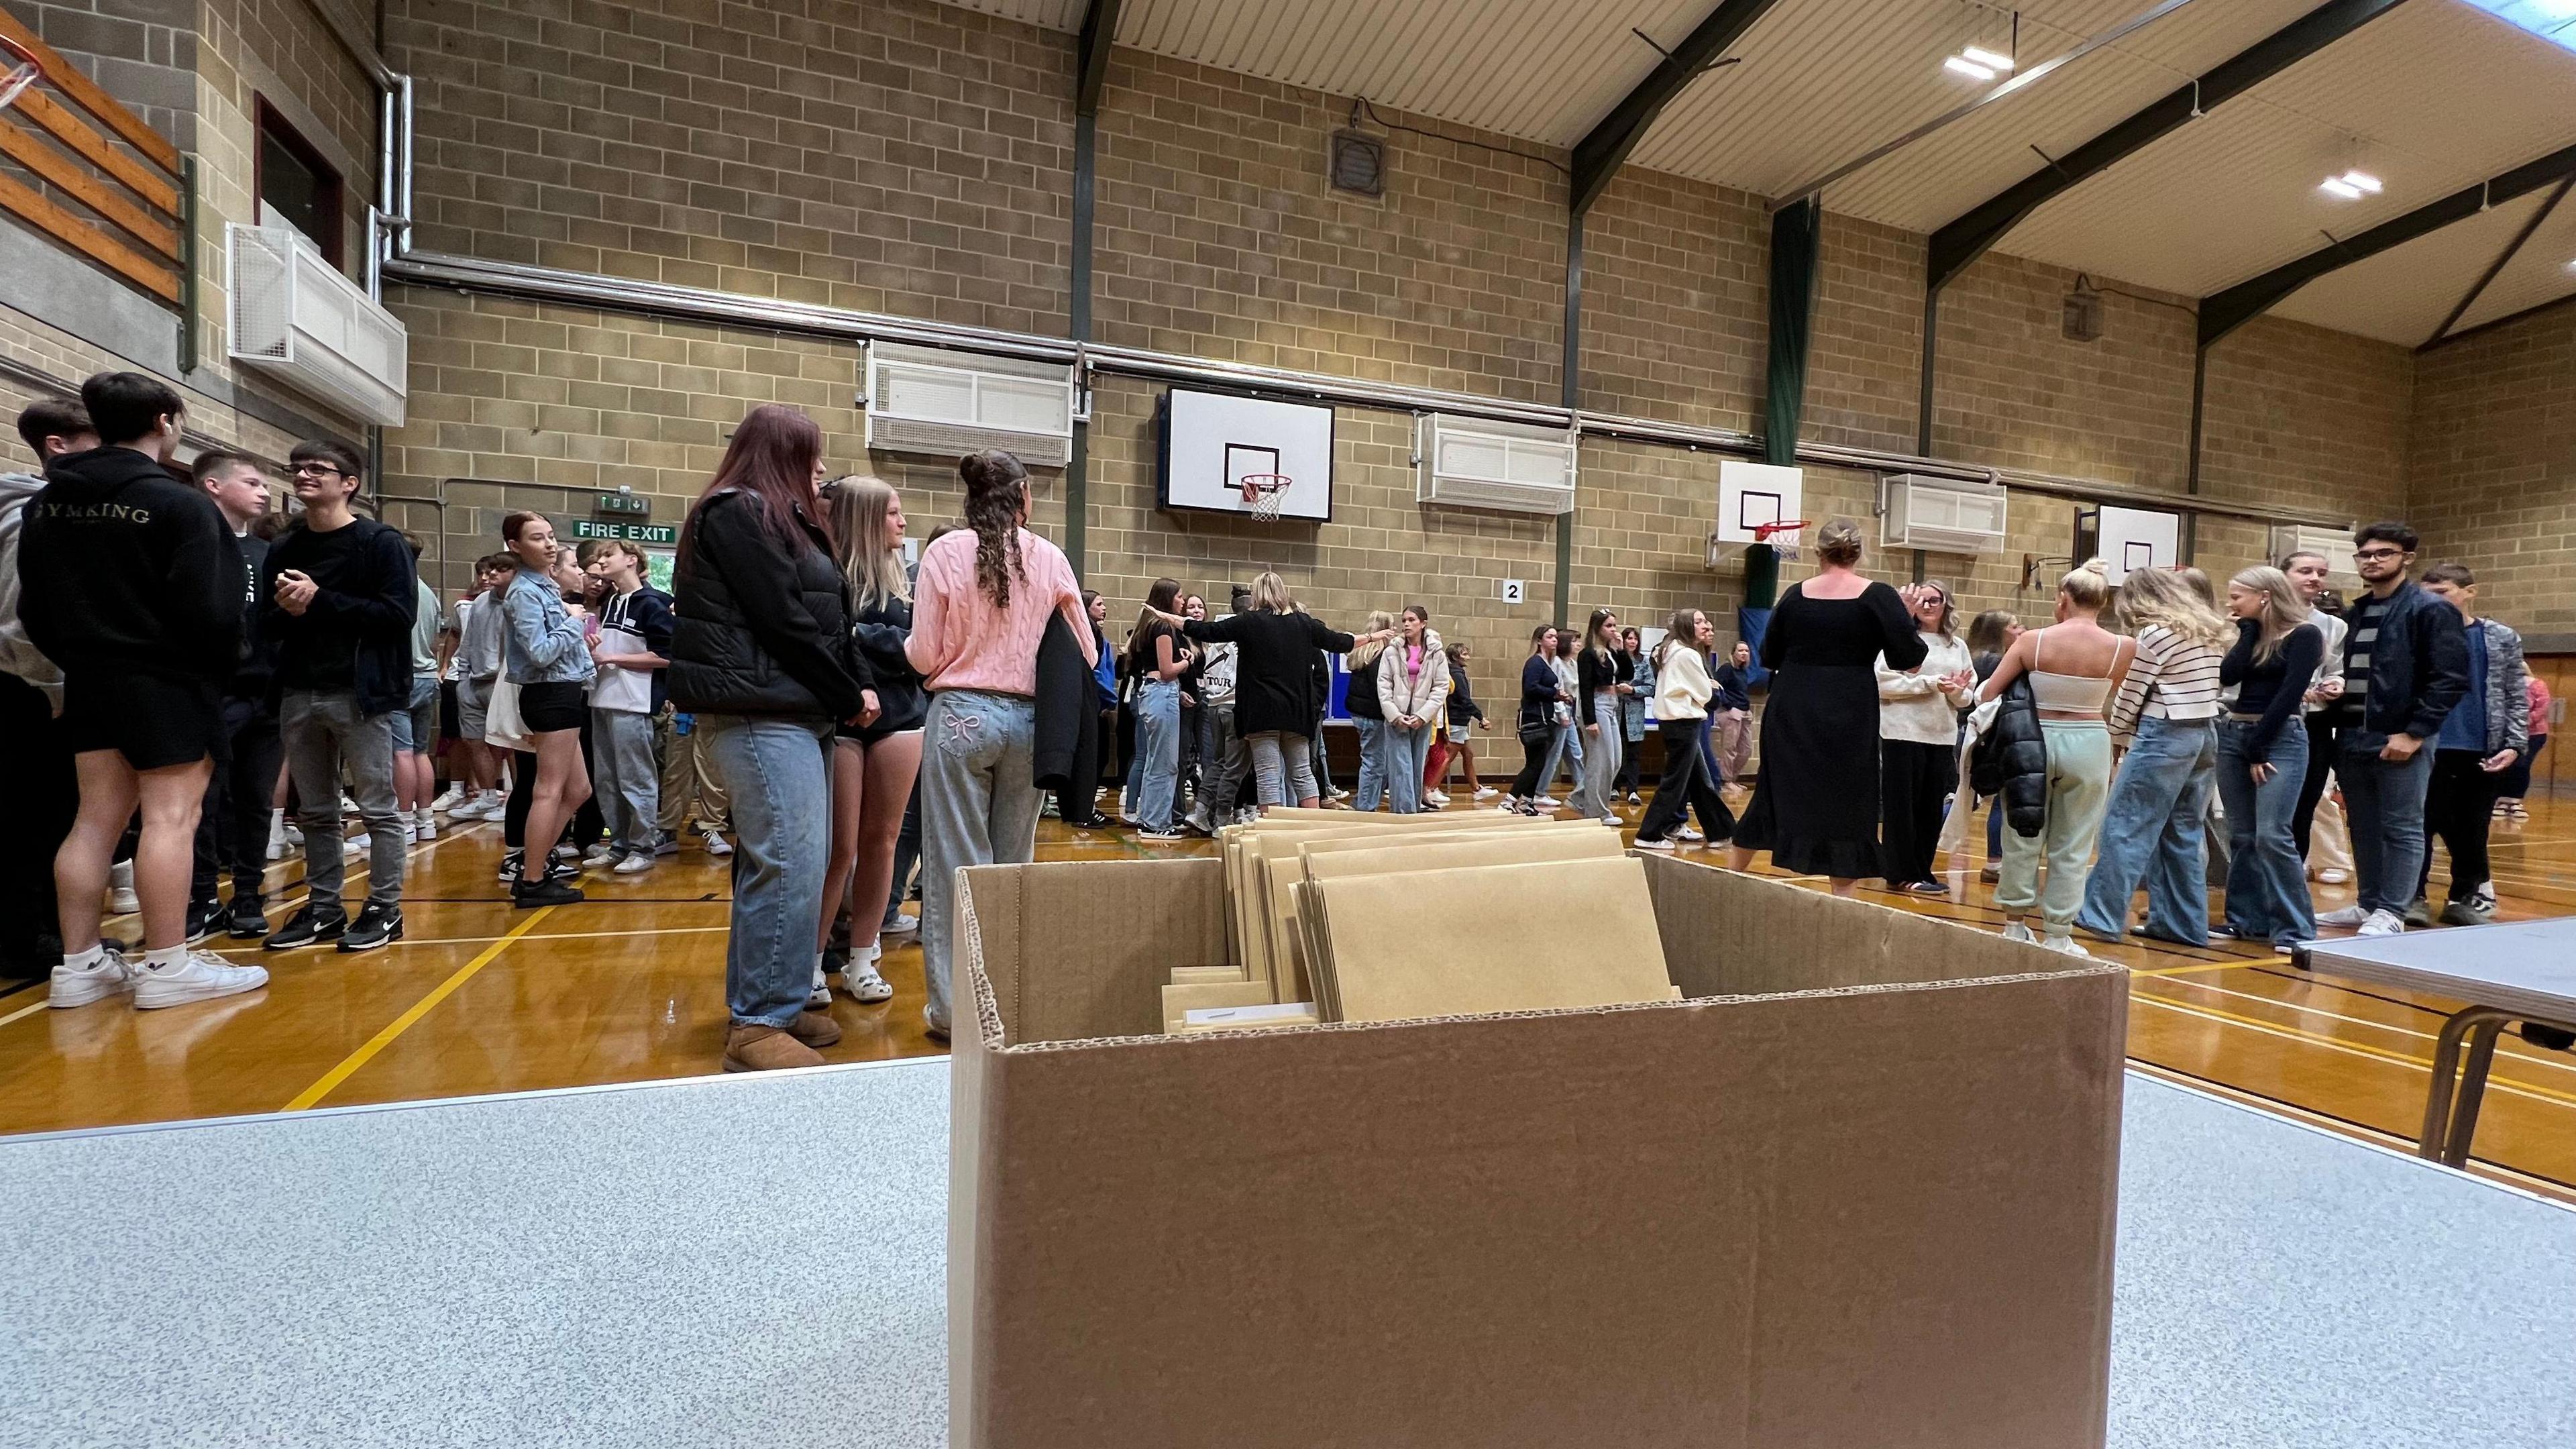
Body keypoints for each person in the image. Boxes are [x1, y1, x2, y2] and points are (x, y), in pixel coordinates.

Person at [20, 372, 265, 1007]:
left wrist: (80, 656)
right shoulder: (180, 505)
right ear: (165, 422)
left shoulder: (47, 504)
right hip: (169, 682)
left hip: (90, 679)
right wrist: (219, 668)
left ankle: (78, 967)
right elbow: (212, 612)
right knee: (171, 817)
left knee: (94, 821)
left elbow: (36, 607)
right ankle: (167, 964)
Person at [670, 405, 867, 1069]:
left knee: (787, 864)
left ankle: (773, 1005)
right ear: (781, 454)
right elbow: (783, 620)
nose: (819, 471)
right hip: (759, 713)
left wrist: (844, 692)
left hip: (793, 711)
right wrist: (848, 694)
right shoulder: (738, 511)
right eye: (809, 457)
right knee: (786, 863)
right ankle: (757, 1025)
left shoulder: (778, 516)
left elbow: (827, 618)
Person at [906, 449, 1091, 1040]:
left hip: (961, 715)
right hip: (1031, 724)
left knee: (955, 868)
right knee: (1013, 868)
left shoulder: (943, 553)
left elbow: (927, 655)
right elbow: (1085, 654)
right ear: (1025, 497)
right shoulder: (1051, 558)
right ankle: (1005, 1004)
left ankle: (954, 1014)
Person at [256, 439, 417, 953]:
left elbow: (397, 616)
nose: (303, 476)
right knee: (317, 812)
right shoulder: (285, 546)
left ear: (349, 483)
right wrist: (292, 609)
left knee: (378, 809)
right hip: (299, 689)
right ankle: (324, 908)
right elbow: (268, 622)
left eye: (317, 469)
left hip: (359, 693)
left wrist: (321, 601)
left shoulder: (379, 543)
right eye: (298, 469)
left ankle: (384, 909)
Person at [1729, 521, 1933, 897]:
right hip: (1849, 708)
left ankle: (1727, 881)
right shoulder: (1880, 596)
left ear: (1818, 553)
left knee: (1774, 792)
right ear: (1859, 553)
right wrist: (1903, 616)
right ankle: (1843, 902)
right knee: (1848, 798)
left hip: (1793, 705)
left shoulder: (1794, 595)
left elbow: (1770, 655)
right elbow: (1911, 660)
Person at [2314, 523, 2469, 939]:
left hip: (2401, 737)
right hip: (2352, 736)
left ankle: (2393, 910)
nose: (2373, 561)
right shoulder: (2357, 611)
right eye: (2365, 555)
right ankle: (2368, 904)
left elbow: (2450, 678)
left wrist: (2415, 733)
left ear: (2407, 558)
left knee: (2402, 825)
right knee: (2361, 825)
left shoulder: (2430, 609)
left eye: (2383, 553)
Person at [1976, 563, 2129, 955]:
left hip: (2033, 742)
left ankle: (2014, 926)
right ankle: (2059, 934)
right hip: (2091, 742)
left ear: (2063, 599)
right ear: (2104, 601)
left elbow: (1989, 694)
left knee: (2021, 834)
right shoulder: (2124, 648)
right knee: (2074, 843)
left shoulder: (2032, 642)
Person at [2073, 567, 2229, 947]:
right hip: (2204, 734)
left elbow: (2132, 691)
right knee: (2184, 832)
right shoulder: (2207, 630)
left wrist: (2116, 734)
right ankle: (2182, 924)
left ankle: (2101, 916)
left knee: (2124, 826)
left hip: (2165, 735)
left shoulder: (2156, 634)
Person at [814, 474, 922, 1006]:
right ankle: (813, 962)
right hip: (842, 717)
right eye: (893, 513)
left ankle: (863, 956)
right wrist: (881, 646)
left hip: (901, 716)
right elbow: (832, 644)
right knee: (839, 847)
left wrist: (865, 637)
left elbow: (923, 649)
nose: (903, 523)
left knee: (883, 842)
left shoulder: (907, 582)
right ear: (864, 518)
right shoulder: (828, 575)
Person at [0, 398, 91, 981]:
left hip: (26, 685)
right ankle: (25, 940)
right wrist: (54, 690)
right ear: (58, 445)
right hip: (25, 689)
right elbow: (18, 614)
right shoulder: (29, 512)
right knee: (33, 819)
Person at [180, 452, 284, 943]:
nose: (263, 492)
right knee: (203, 800)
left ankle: (248, 894)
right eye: (251, 482)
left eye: (265, 484)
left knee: (255, 801)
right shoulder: (193, 544)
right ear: (214, 486)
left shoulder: (268, 555)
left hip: (264, 697)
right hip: (212, 696)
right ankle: (202, 897)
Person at [1174, 572, 1381, 813]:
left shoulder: (1249, 621)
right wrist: (1371, 637)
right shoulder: (1303, 622)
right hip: (1296, 712)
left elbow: (1206, 631)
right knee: (1303, 772)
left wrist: (1167, 617)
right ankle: (1308, 827)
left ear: (1257, 593)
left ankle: (1272, 831)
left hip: (1261, 714)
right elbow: (1339, 641)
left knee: (1268, 774)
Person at [2214, 568, 2325, 953]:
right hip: (2235, 735)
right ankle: (2246, 921)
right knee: (2242, 835)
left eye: (2236, 596)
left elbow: (2290, 693)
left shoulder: (2305, 635)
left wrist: (2259, 746)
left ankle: (2296, 929)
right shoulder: (2252, 634)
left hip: (2279, 739)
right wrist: (2246, 630)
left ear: (2264, 596)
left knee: (2273, 835)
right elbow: (2228, 676)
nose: (2231, 604)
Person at [492, 511, 598, 908]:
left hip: (564, 691)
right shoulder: (525, 592)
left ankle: (533, 865)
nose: (550, 544)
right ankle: (532, 879)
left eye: (551, 536)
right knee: (548, 790)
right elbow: (538, 653)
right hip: (550, 695)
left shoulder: (546, 587)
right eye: (538, 538)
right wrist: (574, 622)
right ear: (516, 547)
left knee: (580, 790)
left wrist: (578, 640)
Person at [2412, 564, 2526, 927]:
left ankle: (2465, 896)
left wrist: (2514, 744)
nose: (2433, 601)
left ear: (2469, 592)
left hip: (2481, 747)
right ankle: (2412, 896)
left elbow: (2515, 695)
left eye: (2442, 592)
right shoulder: (2414, 634)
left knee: (2472, 827)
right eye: (2426, 594)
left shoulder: (2500, 637)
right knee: (2421, 824)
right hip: (2425, 744)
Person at [581, 537, 676, 874]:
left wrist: (612, 656)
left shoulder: (654, 603)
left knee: (636, 778)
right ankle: (619, 844)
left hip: (633, 702)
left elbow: (666, 657)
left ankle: (643, 847)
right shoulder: (609, 603)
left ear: (632, 560)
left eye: (609, 555)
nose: (601, 562)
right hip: (603, 698)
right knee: (607, 779)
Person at [1876, 580, 1976, 895]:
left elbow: (1967, 696)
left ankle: (1922, 869)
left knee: (1930, 809)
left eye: (1936, 600)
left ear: (1947, 604)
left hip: (1940, 736)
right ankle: (1899, 873)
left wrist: (1957, 691)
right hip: (1901, 733)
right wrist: (1930, 683)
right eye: (1922, 600)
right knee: (1901, 807)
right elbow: (1882, 684)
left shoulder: (1957, 646)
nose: (1929, 606)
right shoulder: (1898, 640)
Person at [1635, 609, 1737, 849]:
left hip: (1675, 723)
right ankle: (1649, 834)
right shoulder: (1687, 655)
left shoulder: (1668, 651)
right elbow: (1709, 697)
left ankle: (1721, 831)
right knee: (1675, 782)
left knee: (1700, 781)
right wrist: (1713, 688)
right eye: (1699, 621)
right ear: (1686, 626)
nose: (1705, 625)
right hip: (1683, 723)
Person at [2280, 549, 2353, 883]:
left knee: (2307, 803)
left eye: (2321, 573)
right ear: (2284, 575)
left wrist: (2335, 684)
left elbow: (2337, 669)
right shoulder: (2263, 617)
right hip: (2271, 720)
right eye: (2305, 571)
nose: (2314, 578)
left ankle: (2293, 876)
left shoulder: (2334, 625)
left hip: (2315, 724)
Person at [1125, 578, 1193, 842]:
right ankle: (1156, 823)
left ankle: (1149, 817)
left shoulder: (1147, 624)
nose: (1183, 601)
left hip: (1153, 694)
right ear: (1167, 599)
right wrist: (1185, 663)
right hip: (1161, 693)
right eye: (1179, 597)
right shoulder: (1163, 626)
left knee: (1156, 761)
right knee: (1165, 763)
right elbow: (1166, 671)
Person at [448, 554, 515, 821]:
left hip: (504, 681)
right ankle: (488, 796)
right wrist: (463, 678)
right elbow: (468, 641)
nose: (491, 575)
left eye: (500, 569)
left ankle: (515, 800)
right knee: (474, 741)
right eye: (489, 571)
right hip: (474, 680)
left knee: (511, 744)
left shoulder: (518, 600)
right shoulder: (479, 602)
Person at [1184, 587, 1254, 834]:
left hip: (1213, 703)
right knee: (1234, 769)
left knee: (1217, 763)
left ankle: (1202, 811)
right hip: (1235, 705)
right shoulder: (1247, 632)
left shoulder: (1218, 628)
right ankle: (1222, 820)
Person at [391, 534, 447, 845]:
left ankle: (404, 823)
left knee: (401, 753)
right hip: (426, 676)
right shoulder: (428, 591)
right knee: (419, 751)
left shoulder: (395, 588)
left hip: (403, 677)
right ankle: (426, 820)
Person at [1377, 604, 1451, 814]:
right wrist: (1394, 714)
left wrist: (1423, 715)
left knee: (1417, 766)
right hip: (1397, 718)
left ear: (1423, 623)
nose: (1407, 624)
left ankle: (1412, 809)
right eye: (1404, 621)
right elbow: (1383, 685)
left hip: (1422, 719)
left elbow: (1441, 687)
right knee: (1401, 767)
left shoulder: (1436, 652)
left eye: (1412, 620)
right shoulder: (1392, 650)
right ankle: (1403, 812)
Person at [1571, 608, 1624, 823]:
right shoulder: (1588, 654)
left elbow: (1627, 674)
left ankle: (1581, 796)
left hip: (1612, 706)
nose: (1613, 630)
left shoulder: (1610, 652)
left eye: (1614, 625)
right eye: (1608, 626)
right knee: (1601, 761)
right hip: (1597, 706)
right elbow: (1585, 689)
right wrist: (1590, 720)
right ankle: (1597, 811)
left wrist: (1620, 651)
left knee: (1616, 761)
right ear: (1597, 628)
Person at [1504, 625, 1562, 816]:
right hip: (1534, 718)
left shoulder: (1546, 663)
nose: (1554, 640)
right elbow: (1531, 688)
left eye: (1555, 637)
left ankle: (1526, 802)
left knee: (1537, 762)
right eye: (1550, 637)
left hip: (1544, 716)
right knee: (1535, 764)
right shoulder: (1535, 663)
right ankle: (1510, 799)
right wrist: (1554, 694)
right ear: (1539, 641)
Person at [1344, 610, 1397, 812]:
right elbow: (1381, 689)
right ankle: (1365, 807)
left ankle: (1363, 802)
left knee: (1373, 762)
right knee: (1375, 764)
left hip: (1359, 713)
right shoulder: (1382, 655)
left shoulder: (1361, 651)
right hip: (1374, 715)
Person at [1425, 640, 1491, 802]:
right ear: (1455, 657)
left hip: (1460, 721)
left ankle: (1476, 788)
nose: (1468, 657)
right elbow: (1464, 700)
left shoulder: (1454, 672)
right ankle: (1431, 788)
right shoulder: (1457, 674)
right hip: (1456, 721)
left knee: (1468, 754)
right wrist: (1481, 717)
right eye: (1464, 654)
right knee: (1448, 757)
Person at [2496, 671, 2551, 820]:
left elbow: (2542, 708)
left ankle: (2515, 801)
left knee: (2522, 765)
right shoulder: (2502, 686)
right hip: (2505, 732)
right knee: (2503, 765)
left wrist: (2521, 722)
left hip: (2533, 734)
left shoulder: (2537, 685)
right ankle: (2501, 800)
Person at [1711, 639, 1754, 787]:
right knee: (1729, 748)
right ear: (1733, 653)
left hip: (1744, 711)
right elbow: (1716, 687)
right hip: (1732, 712)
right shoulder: (1727, 668)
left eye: (1747, 651)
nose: (1744, 653)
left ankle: (1733, 778)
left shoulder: (1743, 671)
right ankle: (1726, 780)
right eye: (1741, 650)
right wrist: (1728, 705)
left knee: (1746, 749)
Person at [1617, 626, 1650, 803]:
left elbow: (1651, 687)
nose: (1632, 642)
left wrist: (1633, 689)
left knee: (1633, 753)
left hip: (1635, 714)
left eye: (1635, 639)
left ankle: (1632, 790)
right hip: (1616, 710)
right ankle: (1615, 788)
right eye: (1629, 638)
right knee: (1616, 752)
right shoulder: (1616, 658)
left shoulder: (1643, 662)